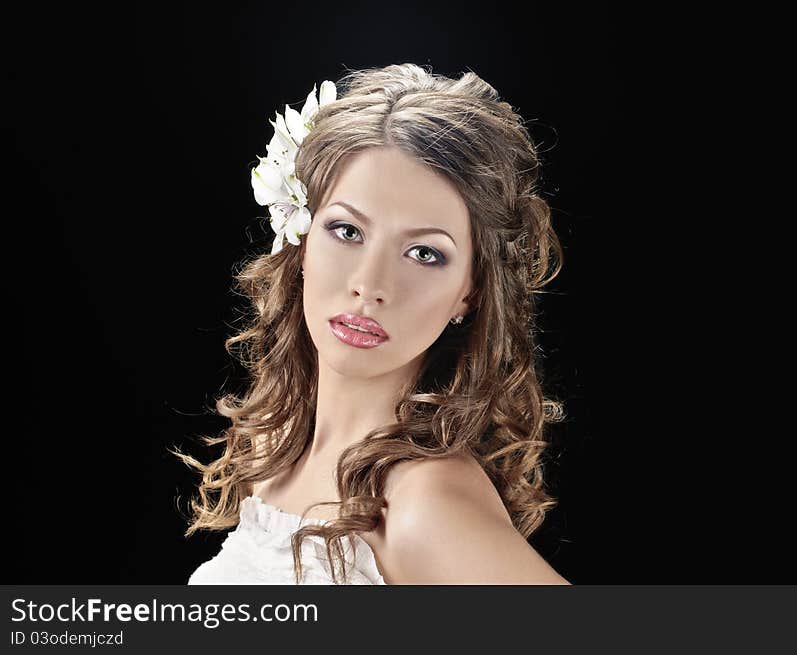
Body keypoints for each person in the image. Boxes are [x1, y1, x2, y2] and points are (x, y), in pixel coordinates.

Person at [176, 63, 570, 585]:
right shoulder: (276, 450)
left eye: (424, 253)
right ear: (301, 235)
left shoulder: (424, 505)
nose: (370, 284)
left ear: (471, 291)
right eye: (347, 230)